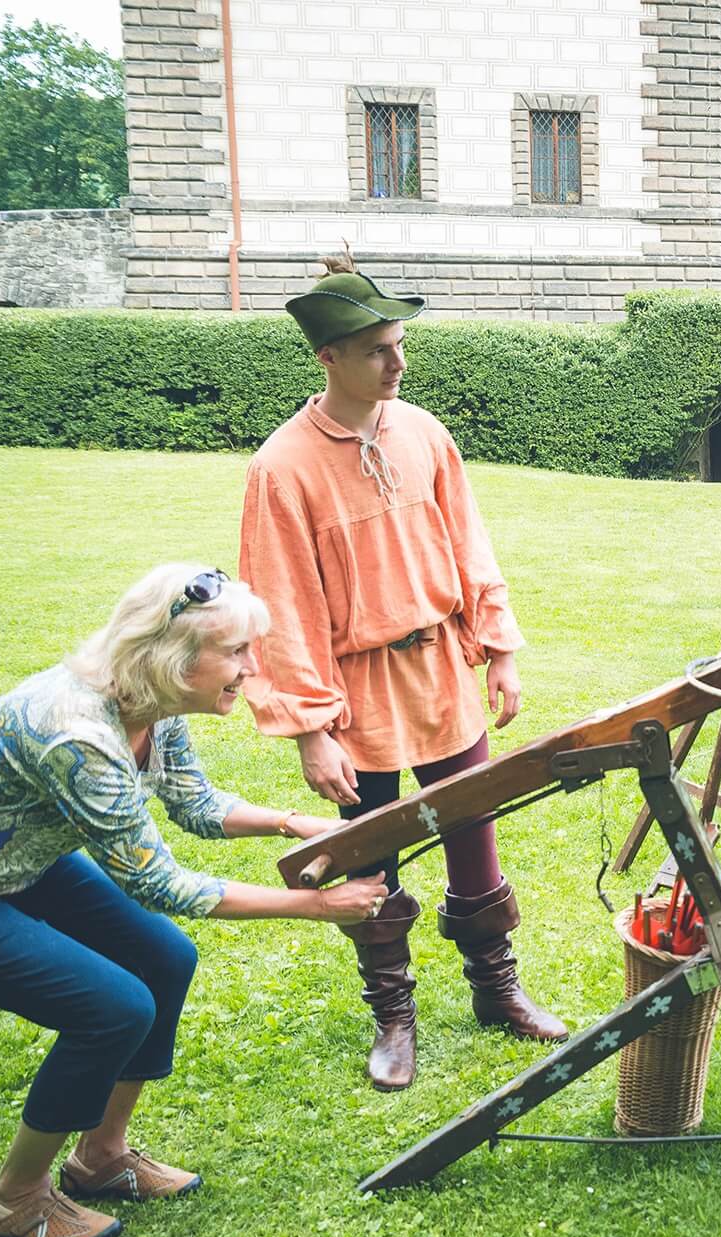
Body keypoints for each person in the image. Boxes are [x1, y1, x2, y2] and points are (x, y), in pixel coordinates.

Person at [0, 564, 385, 1237]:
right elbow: (161, 885)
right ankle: (13, 1200)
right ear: (175, 659)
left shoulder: (152, 702)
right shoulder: (77, 735)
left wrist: (293, 823)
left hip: (16, 862)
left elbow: (196, 804)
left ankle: (101, 1158)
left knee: (165, 958)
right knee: (112, 1006)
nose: (251, 667)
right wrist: (315, 905)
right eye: (236, 652)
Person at [239, 249, 565, 1093]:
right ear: (329, 359)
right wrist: (313, 730)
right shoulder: (282, 467)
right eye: (380, 349)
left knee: (474, 835)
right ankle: (394, 1018)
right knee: (370, 857)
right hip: (358, 695)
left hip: (443, 671)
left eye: (399, 344)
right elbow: (281, 604)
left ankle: (498, 991)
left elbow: (468, 542)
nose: (398, 361)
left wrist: (500, 647)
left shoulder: (424, 433)